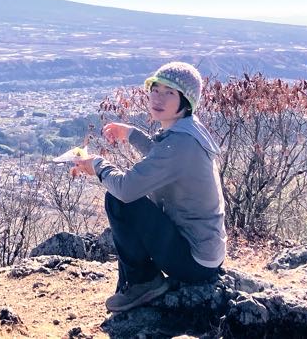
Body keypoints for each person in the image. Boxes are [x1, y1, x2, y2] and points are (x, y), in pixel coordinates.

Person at [72, 61, 226, 313]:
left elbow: (126, 188)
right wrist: (131, 134)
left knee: (119, 200)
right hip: (205, 251)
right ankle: (140, 280)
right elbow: (162, 154)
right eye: (155, 89)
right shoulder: (189, 131)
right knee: (123, 198)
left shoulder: (181, 144)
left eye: (169, 93)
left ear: (186, 100)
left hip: (195, 261)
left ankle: (143, 282)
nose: (158, 97)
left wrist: (97, 164)